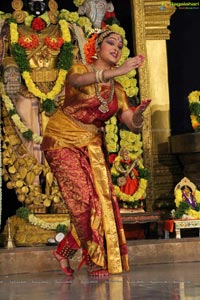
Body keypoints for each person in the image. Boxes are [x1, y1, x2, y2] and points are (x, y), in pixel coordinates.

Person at [41, 28, 151, 276]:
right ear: (97, 48)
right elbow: (76, 83)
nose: (117, 48)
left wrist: (139, 115)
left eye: (120, 46)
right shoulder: (80, 70)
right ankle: (96, 260)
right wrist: (118, 71)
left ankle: (64, 252)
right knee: (83, 200)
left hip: (90, 144)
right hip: (61, 141)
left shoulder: (118, 90)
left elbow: (130, 122)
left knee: (99, 203)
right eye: (111, 43)